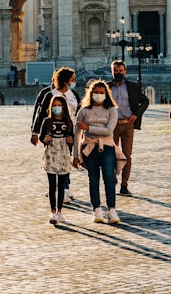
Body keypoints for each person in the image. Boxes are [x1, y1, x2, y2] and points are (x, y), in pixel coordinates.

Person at [73, 79, 120, 224]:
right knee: (93, 179)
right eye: (96, 93)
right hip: (89, 148)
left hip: (107, 147)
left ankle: (112, 210)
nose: (99, 95)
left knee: (109, 177)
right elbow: (77, 133)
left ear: (106, 94)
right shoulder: (84, 111)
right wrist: (75, 155)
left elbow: (108, 131)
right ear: (90, 94)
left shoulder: (112, 110)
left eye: (101, 93)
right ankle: (97, 210)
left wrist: (88, 128)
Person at [30, 67, 78, 203]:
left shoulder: (73, 94)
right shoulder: (49, 94)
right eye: (72, 79)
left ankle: (64, 187)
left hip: (70, 131)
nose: (74, 81)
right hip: (53, 133)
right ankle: (57, 189)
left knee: (65, 158)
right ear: (65, 80)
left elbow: (79, 112)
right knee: (54, 158)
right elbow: (40, 115)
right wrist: (35, 132)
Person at [108, 60, 149, 196]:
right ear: (112, 71)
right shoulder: (106, 87)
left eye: (120, 70)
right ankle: (112, 178)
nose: (118, 73)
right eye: (115, 71)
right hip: (111, 126)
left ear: (125, 71)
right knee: (110, 155)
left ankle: (124, 184)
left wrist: (136, 115)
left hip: (127, 124)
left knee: (127, 155)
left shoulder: (133, 86)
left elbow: (145, 101)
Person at [39, 94, 74, 224]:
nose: (57, 108)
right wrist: (45, 140)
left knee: (61, 185)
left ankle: (60, 211)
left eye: (59, 105)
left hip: (63, 154)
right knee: (52, 184)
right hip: (51, 155)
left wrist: (71, 142)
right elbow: (43, 138)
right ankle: (53, 212)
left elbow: (72, 139)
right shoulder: (47, 121)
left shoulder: (68, 122)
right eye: (54, 105)